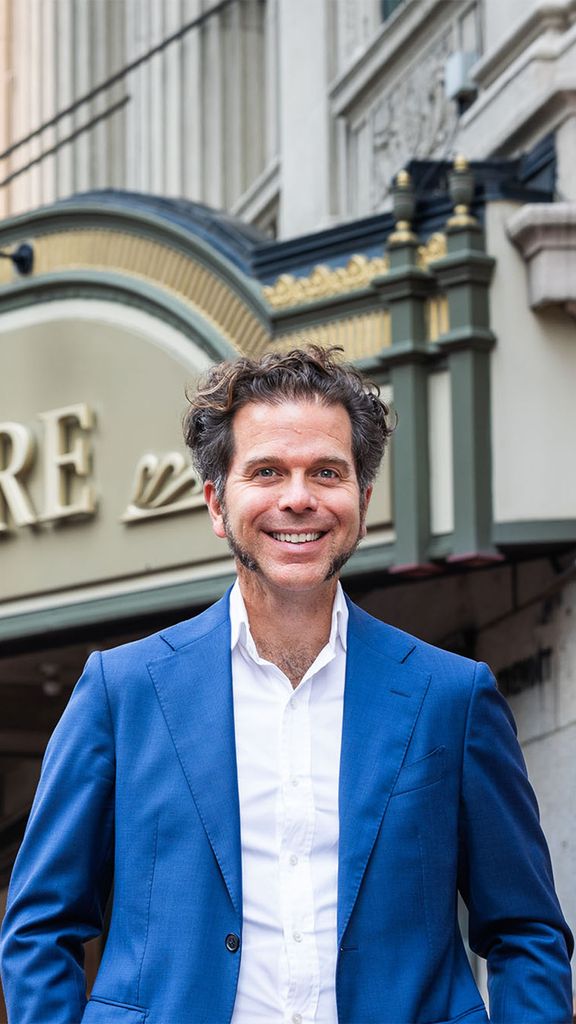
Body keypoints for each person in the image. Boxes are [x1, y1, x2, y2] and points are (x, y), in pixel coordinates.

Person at [1, 346, 572, 1024]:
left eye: (325, 472)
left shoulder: (452, 696)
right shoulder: (120, 692)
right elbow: (40, 929)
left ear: (361, 501)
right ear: (218, 503)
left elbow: (527, 932)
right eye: (267, 471)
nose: (297, 498)